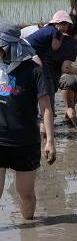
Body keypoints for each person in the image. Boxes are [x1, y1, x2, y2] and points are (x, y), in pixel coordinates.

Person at [0, 22, 56, 220]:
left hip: (25, 141)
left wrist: (50, 140)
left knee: (24, 194)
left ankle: (28, 234)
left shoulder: (34, 70)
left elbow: (46, 107)